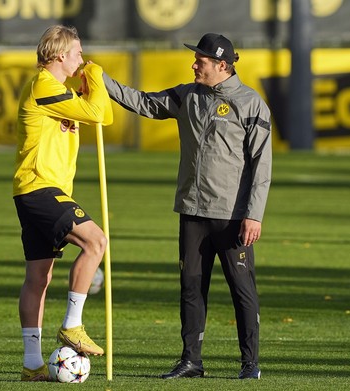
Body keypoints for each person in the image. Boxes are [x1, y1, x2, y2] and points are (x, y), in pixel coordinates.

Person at [103, 33, 271, 380]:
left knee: (242, 291)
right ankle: (191, 361)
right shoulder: (187, 95)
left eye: (202, 61)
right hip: (192, 212)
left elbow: (261, 164)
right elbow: (144, 102)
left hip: (233, 218)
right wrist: (101, 81)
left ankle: (249, 363)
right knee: (191, 287)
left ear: (222, 66)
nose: (194, 64)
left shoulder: (251, 103)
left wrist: (254, 214)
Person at [13, 25, 113, 382]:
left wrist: (91, 85)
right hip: (40, 187)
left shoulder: (60, 91)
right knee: (95, 241)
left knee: (39, 277)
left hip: (40, 190)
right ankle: (73, 325)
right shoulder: (43, 87)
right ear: (59, 57)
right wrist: (97, 75)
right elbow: (99, 112)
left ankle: (31, 364)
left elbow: (103, 114)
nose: (82, 60)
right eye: (78, 53)